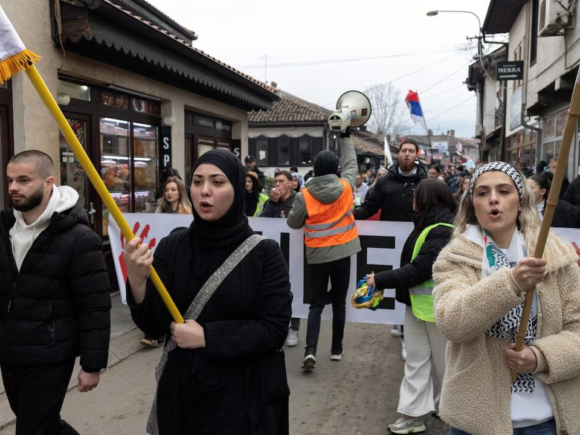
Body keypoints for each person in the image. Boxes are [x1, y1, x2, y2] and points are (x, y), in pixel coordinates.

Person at [124, 149, 292, 435]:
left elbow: (274, 328)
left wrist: (208, 337)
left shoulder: (265, 254)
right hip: (182, 397)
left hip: (243, 401)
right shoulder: (171, 247)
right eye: (198, 181)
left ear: (237, 188)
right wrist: (137, 281)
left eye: (217, 182)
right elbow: (153, 324)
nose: (204, 191)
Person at [433, 162, 580, 434]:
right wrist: (510, 283)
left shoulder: (557, 256)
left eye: (504, 191)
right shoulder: (454, 259)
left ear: (521, 201)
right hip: (476, 421)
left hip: (548, 420)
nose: (493, 199)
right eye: (482, 193)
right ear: (472, 205)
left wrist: (541, 357)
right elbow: (451, 323)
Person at [0, 151, 111, 434]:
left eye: (23, 180)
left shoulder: (79, 237)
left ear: (49, 182)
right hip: (12, 351)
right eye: (10, 180)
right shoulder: (5, 228)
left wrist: (92, 364)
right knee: (43, 424)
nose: (13, 187)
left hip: (50, 353)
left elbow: (94, 305)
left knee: (32, 428)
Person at [366, 178, 455, 434]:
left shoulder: (443, 229)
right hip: (418, 309)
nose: (412, 198)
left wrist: (380, 280)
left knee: (445, 367)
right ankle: (412, 415)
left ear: (427, 198)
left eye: (416, 194)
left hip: (439, 312)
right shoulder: (427, 224)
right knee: (416, 363)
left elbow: (419, 270)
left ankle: (453, 411)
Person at [287, 128, 360, 370]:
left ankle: (310, 350)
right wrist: (346, 136)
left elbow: (293, 223)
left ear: (315, 169)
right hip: (342, 255)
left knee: (316, 304)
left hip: (317, 257)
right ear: (335, 169)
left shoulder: (304, 195)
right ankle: (336, 349)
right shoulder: (346, 187)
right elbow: (351, 164)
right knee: (339, 303)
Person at [259, 170, 300, 345]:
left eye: (281, 181)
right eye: (275, 181)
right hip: (275, 253)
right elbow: (261, 222)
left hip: (294, 250)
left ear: (291, 183)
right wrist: (272, 203)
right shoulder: (271, 201)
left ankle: (294, 328)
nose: (277, 185)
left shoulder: (299, 200)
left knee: (296, 289)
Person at [354, 139, 427, 222]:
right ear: (399, 154)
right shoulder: (384, 182)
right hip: (389, 232)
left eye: (411, 151)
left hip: (417, 233)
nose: (407, 154)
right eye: (403, 151)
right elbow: (369, 207)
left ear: (416, 156)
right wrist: (351, 214)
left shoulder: (425, 183)